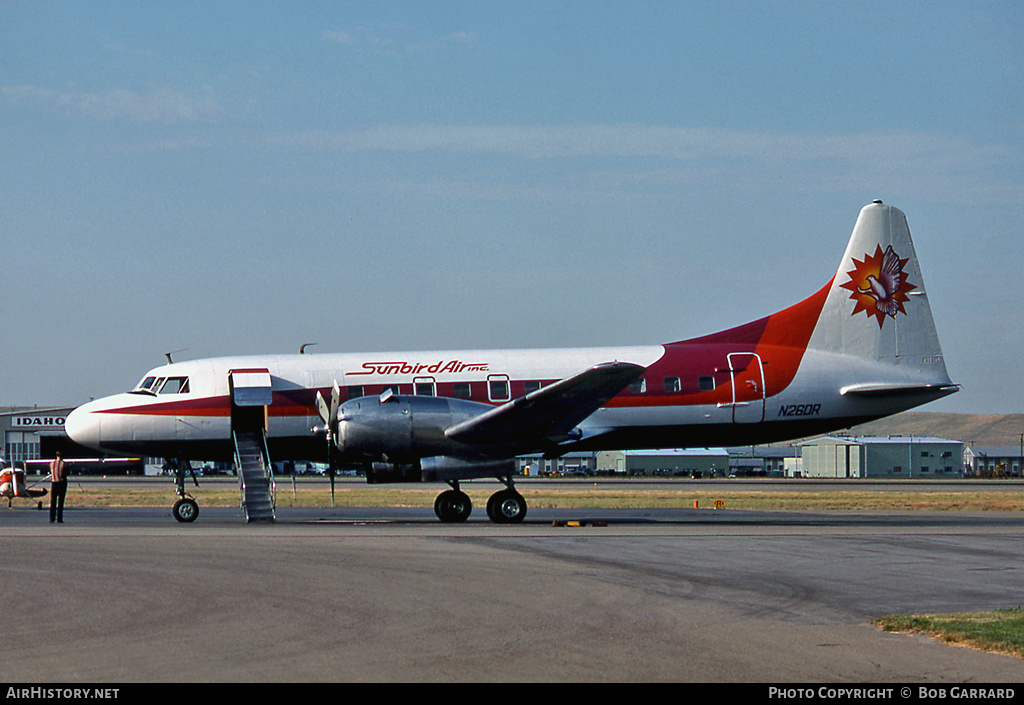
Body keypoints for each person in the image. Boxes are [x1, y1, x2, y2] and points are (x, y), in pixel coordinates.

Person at [49, 452, 68, 523]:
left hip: (54, 483)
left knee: (53, 501)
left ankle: (52, 518)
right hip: (62, 483)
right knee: (61, 502)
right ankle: (59, 518)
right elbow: (67, 473)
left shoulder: (51, 463)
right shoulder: (64, 464)